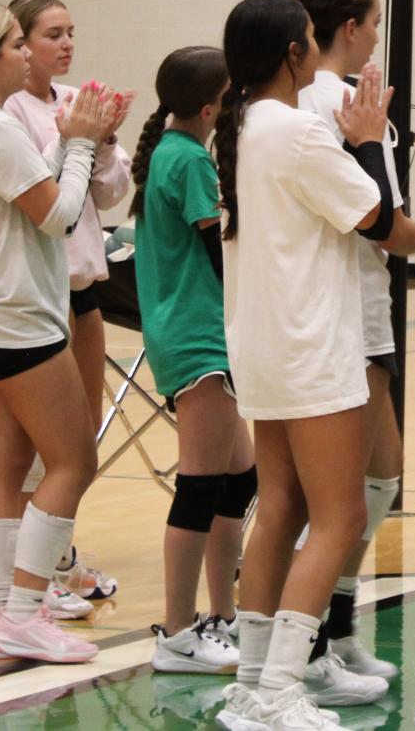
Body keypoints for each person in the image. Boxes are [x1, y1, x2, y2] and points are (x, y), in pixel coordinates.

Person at [213, 0, 415, 731]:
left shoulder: (245, 124)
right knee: (340, 515)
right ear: (293, 53)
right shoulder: (292, 133)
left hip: (261, 344)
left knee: (282, 508)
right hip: (311, 346)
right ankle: (280, 689)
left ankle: (251, 685)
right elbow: (383, 225)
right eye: (312, 40)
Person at [0, 0, 129, 663]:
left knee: (6, 464)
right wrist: (75, 140)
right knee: (74, 460)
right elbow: (60, 216)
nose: (27, 53)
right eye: (18, 44)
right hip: (17, 319)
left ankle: (1, 613)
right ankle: (21, 612)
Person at [291, 0, 412, 682]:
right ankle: (306, 645)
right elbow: (381, 221)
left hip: (323, 307)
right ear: (348, 30)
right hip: (350, 308)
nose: (376, 37)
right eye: (372, 24)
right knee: (341, 493)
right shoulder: (347, 102)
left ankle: (333, 633)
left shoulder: (277, 101)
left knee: (375, 477)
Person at [4, 0, 135, 605]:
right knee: (42, 444)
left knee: (79, 438)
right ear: (20, 43)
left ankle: (57, 557)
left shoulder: (74, 104)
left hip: (84, 285)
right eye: (52, 34)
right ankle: (37, 572)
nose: (67, 44)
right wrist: (77, 141)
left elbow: (106, 195)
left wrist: (104, 140)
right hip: (39, 288)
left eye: (71, 32)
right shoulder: (9, 111)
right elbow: (43, 197)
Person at [129, 46, 249, 675]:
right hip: (198, 340)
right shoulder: (189, 162)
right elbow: (217, 253)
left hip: (199, 337)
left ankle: (225, 615)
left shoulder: (171, 153)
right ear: (213, 107)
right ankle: (177, 633)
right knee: (201, 488)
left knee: (242, 477)